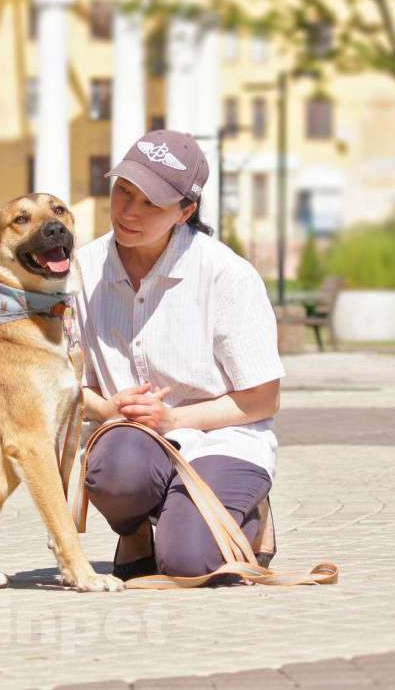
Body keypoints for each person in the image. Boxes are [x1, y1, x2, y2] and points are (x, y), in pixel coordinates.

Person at [75, 129, 285, 582]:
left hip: (224, 437)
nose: (129, 212)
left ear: (185, 211)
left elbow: (262, 400)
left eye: (151, 203)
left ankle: (246, 511)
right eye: (123, 192)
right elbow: (64, 382)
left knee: (190, 563)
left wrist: (171, 420)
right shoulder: (81, 271)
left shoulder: (227, 275)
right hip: (129, 439)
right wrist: (110, 409)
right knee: (114, 469)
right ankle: (134, 531)